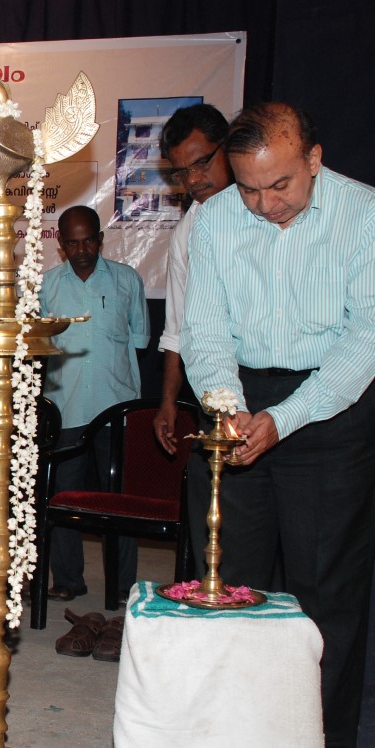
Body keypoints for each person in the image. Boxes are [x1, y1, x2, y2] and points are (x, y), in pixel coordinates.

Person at [181, 102, 375, 748]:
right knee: (227, 586)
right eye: (249, 188)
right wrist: (227, 408)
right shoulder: (214, 220)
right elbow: (205, 331)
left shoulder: (368, 215)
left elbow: (367, 340)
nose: (265, 204)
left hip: (331, 409)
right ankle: (230, 746)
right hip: (237, 400)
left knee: (325, 596)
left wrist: (284, 418)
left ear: (314, 159)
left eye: (280, 184)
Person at [38, 205, 149, 608]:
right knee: (63, 499)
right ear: (61, 245)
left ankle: (121, 583)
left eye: (88, 241)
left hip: (115, 409)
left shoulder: (127, 280)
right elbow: (37, 348)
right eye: (73, 242)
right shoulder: (46, 286)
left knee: (119, 502)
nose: (82, 250)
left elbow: (140, 339)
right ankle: (68, 580)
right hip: (65, 408)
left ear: (100, 240)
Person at [151, 104, 232, 453]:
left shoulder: (268, 213)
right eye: (182, 172)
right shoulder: (186, 232)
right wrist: (168, 401)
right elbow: (177, 327)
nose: (194, 180)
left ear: (228, 147)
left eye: (202, 163)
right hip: (216, 395)